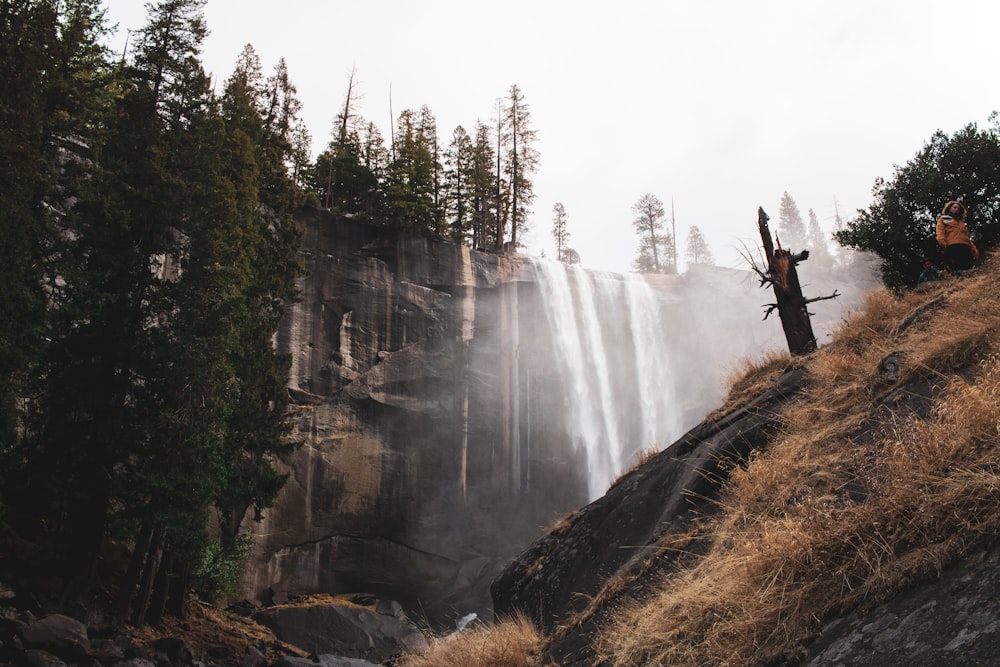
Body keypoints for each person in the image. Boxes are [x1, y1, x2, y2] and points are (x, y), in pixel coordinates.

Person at [935, 200, 979, 273]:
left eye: (958, 208)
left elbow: (967, 237)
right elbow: (940, 232)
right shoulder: (943, 219)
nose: (957, 209)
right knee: (958, 269)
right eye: (954, 207)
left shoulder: (962, 223)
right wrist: (942, 242)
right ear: (949, 208)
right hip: (953, 246)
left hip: (965, 246)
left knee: (968, 269)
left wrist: (973, 249)